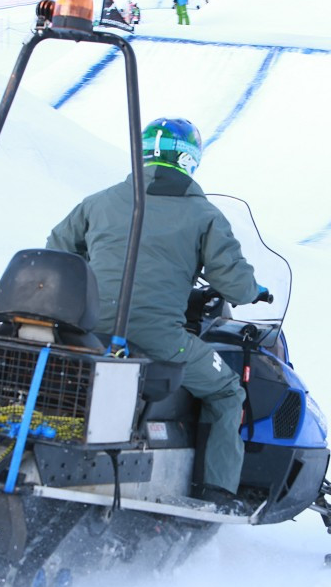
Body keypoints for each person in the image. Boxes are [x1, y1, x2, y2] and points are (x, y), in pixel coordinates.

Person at [47, 118, 264, 511]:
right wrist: (256, 291)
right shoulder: (204, 215)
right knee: (228, 389)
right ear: (189, 159)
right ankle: (217, 496)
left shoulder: (98, 201)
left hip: (86, 330)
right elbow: (235, 285)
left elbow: (58, 251)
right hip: (157, 337)